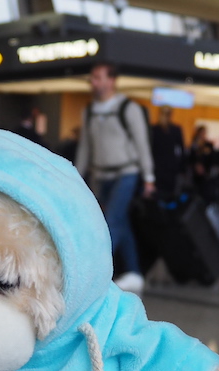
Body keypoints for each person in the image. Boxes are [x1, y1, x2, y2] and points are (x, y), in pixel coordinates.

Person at [74, 62, 154, 293]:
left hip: (127, 172)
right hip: (101, 175)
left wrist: (149, 177)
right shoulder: (88, 111)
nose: (94, 82)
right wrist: (77, 177)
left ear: (112, 81)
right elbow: (85, 148)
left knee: (110, 222)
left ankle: (96, 277)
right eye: (93, 77)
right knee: (121, 223)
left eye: (99, 77)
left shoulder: (128, 108)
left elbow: (141, 143)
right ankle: (135, 273)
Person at [149, 106, 185, 198]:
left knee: (162, 194)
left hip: (162, 167)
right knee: (164, 194)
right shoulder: (155, 129)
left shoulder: (156, 129)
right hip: (164, 167)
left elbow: (181, 149)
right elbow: (181, 150)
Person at [188, 125, 216, 200]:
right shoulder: (194, 145)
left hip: (206, 175)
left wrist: (206, 170)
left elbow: (212, 159)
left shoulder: (209, 145)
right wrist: (196, 166)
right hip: (194, 176)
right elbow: (190, 158)